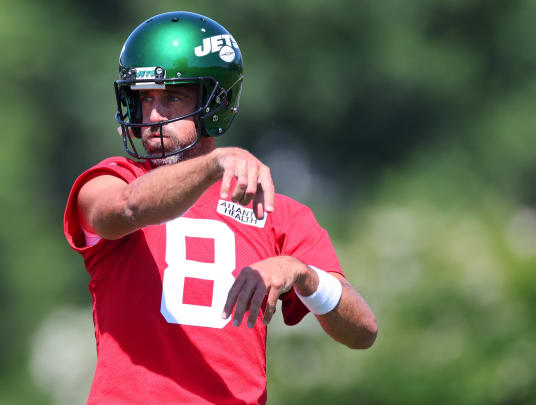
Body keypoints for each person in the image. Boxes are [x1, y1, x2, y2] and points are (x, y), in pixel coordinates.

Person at [63, 11, 378, 405]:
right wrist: (216, 163)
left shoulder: (281, 214)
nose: (152, 118)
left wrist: (302, 273)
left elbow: (362, 330)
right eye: (144, 99)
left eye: (172, 97)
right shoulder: (112, 179)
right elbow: (125, 208)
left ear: (217, 102)